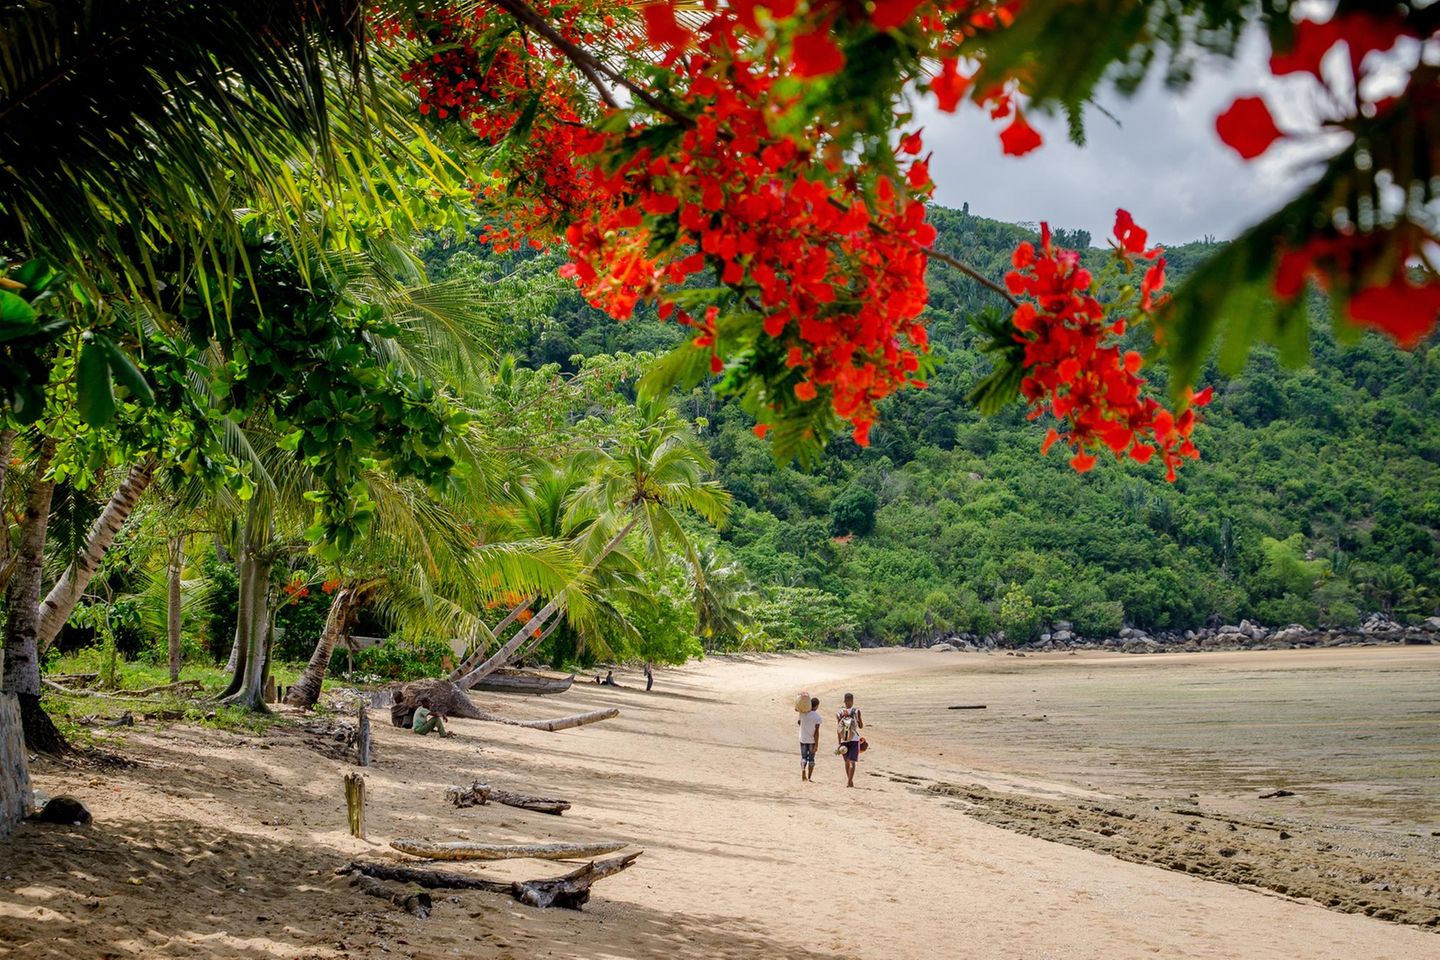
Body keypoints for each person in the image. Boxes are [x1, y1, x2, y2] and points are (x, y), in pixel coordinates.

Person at [836, 692, 863, 787]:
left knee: (846, 761)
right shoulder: (856, 711)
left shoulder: (839, 712)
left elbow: (838, 729)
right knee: (852, 762)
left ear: (844, 701)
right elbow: (861, 726)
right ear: (852, 700)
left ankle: (849, 781)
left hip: (844, 740)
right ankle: (850, 781)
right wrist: (858, 720)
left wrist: (839, 742)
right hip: (854, 739)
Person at [797, 696, 822, 782]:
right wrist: (817, 744)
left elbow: (799, 722)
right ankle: (809, 777)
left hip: (803, 739)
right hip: (812, 740)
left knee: (803, 757)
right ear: (816, 706)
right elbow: (817, 732)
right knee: (811, 759)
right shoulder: (817, 717)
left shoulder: (802, 713)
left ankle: (803, 769)